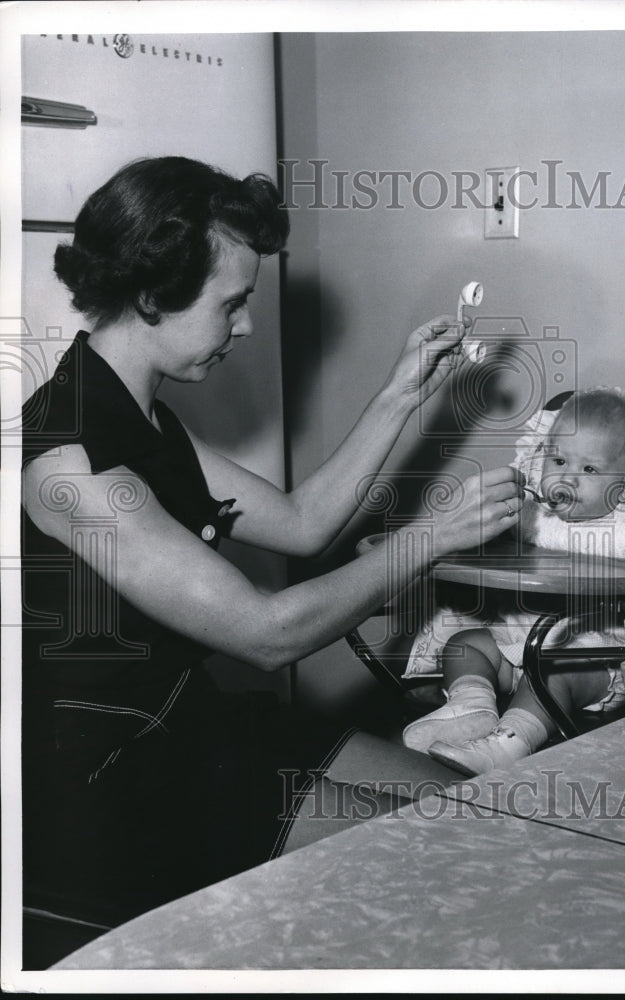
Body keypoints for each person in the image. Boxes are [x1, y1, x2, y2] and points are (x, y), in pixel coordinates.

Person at [20, 156, 522, 950]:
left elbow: (299, 522)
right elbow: (268, 633)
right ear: (153, 297)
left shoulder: (135, 414)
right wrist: (431, 538)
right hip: (118, 782)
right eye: (234, 303)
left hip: (197, 726)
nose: (246, 325)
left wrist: (400, 394)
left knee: (481, 818)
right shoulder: (72, 465)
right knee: (456, 861)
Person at [401, 389, 625, 776]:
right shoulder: (534, 517)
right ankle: (471, 706)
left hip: (588, 660)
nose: (566, 478)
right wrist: (483, 531)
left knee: (550, 670)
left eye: (590, 470)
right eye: (558, 460)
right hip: (516, 645)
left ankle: (509, 741)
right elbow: (491, 546)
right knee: (465, 644)